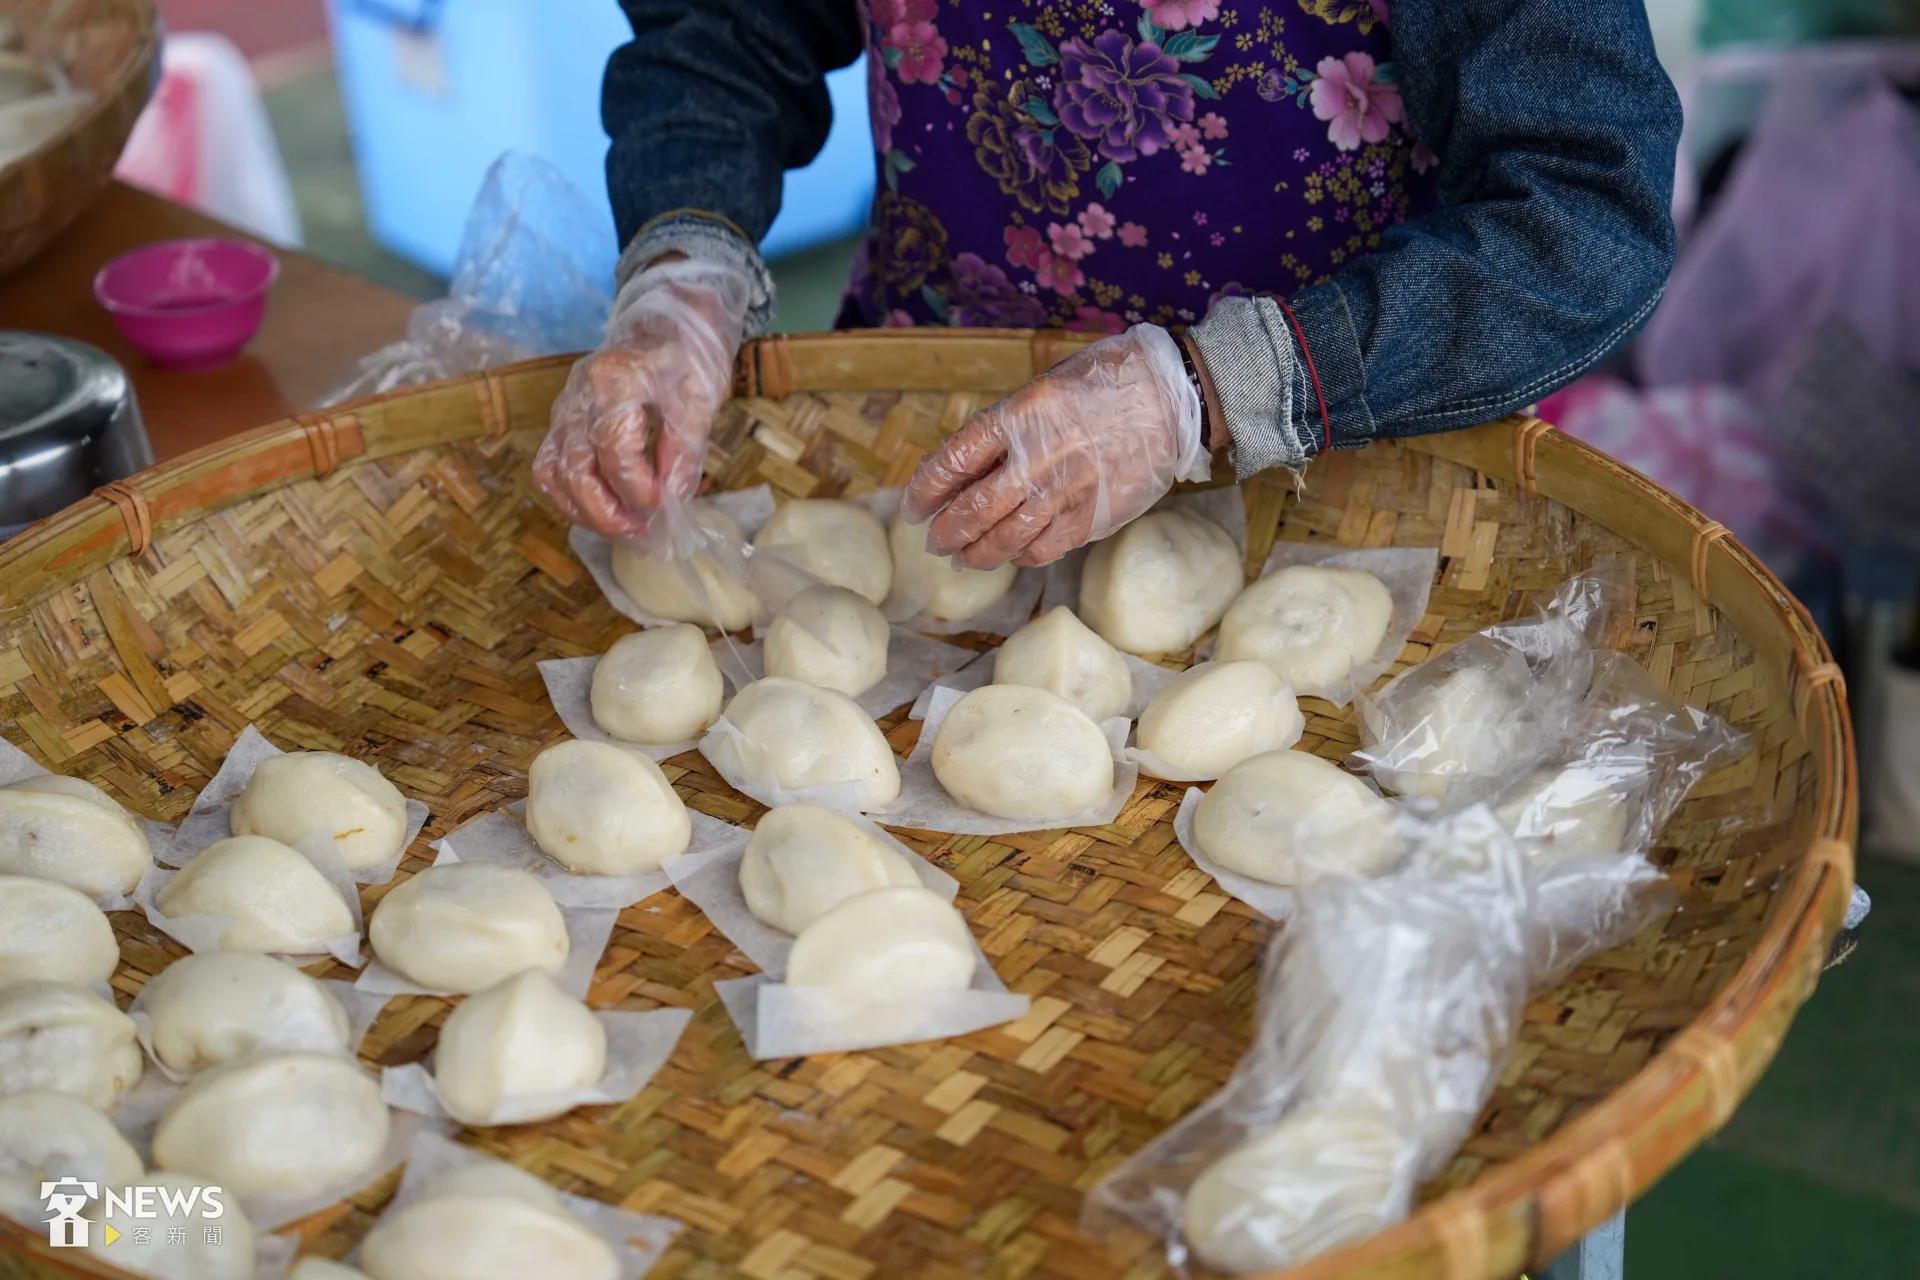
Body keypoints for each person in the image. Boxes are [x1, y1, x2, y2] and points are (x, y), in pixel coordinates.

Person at [534, 0, 1680, 571]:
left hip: (1341, 467)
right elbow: (732, 31)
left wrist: (1200, 391)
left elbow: (1583, 210)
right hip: (926, 443)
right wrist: (683, 273)